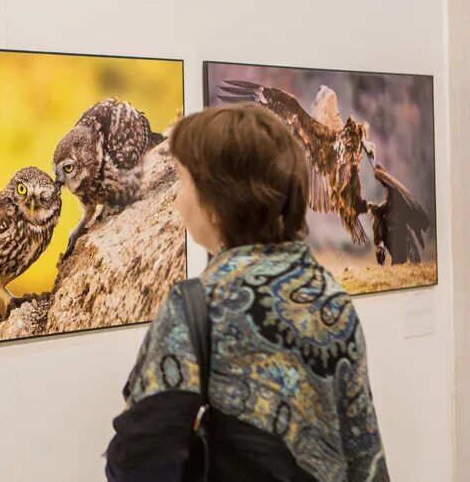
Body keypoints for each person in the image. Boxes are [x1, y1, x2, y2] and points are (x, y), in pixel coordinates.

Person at [104, 103, 389, 481]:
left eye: (183, 181)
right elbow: (364, 453)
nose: (176, 200)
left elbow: (136, 460)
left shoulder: (199, 304)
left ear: (219, 204)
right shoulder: (330, 297)